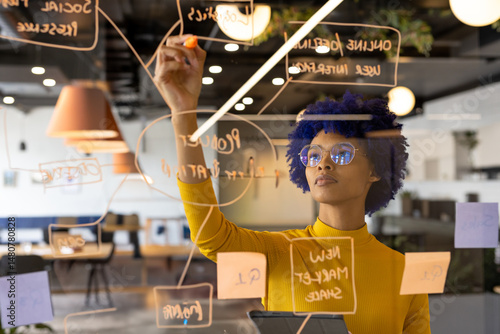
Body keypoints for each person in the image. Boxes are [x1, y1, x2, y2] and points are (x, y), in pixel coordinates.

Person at [154, 35, 431, 334]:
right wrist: (183, 115)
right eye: (312, 156)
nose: (323, 164)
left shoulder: (403, 271)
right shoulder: (279, 252)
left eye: (341, 153)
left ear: (375, 169)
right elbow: (210, 235)